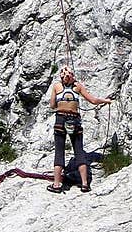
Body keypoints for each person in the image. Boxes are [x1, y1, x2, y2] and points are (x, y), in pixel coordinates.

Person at [47, 66, 111, 194]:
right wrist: (106, 101)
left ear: (61, 77)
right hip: (74, 120)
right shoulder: (78, 86)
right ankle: (85, 184)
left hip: (60, 119)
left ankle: (57, 184)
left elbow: (52, 105)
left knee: (59, 152)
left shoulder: (56, 86)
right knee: (79, 151)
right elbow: (93, 100)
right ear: (72, 76)